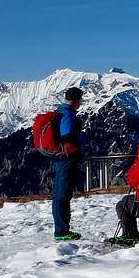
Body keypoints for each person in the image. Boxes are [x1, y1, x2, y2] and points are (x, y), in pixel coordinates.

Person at [52, 87, 84, 241]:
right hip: (66, 159)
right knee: (62, 195)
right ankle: (61, 231)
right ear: (77, 100)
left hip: (60, 159)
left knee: (62, 194)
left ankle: (62, 229)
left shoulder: (60, 111)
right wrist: (76, 131)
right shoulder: (68, 115)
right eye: (81, 99)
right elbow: (66, 137)